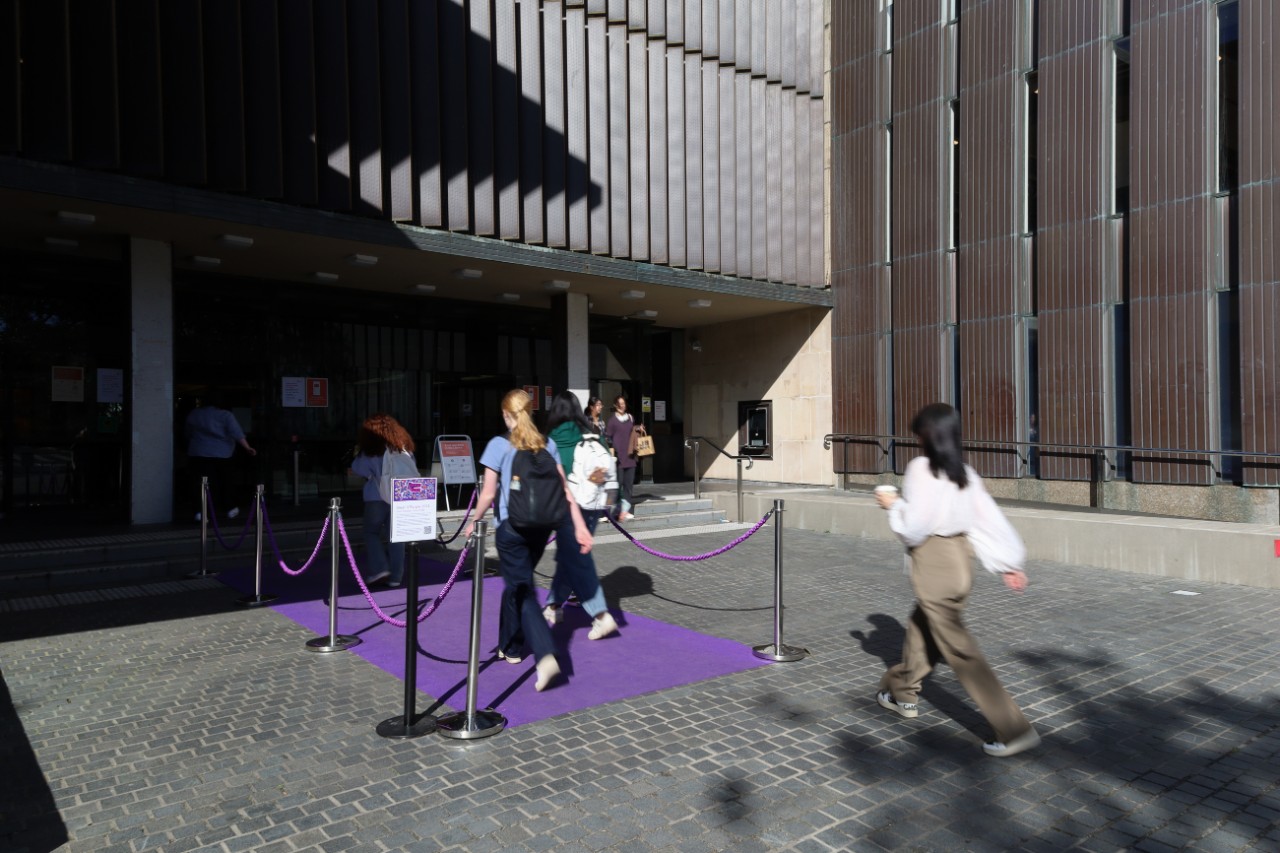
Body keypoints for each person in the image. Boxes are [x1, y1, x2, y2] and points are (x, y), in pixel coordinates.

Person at [873, 403, 1040, 758]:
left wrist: (892, 504)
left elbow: (915, 527)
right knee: (923, 629)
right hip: (962, 564)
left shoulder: (920, 469)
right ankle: (900, 691)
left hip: (934, 563)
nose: (916, 440)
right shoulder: (964, 473)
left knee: (962, 652)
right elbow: (988, 519)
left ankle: (1014, 729)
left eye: (918, 433)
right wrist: (1009, 563)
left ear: (927, 436)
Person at [463, 388, 593, 692]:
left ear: (507, 415)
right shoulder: (547, 444)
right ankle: (510, 645)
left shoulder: (498, 445)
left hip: (511, 529)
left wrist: (473, 520)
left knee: (522, 589)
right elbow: (566, 490)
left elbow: (489, 493)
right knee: (516, 584)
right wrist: (579, 526)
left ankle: (545, 653)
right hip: (541, 527)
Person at [543, 391, 619, 640]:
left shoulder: (551, 440)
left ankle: (600, 615)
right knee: (570, 555)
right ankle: (553, 606)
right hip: (593, 504)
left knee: (577, 558)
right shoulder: (591, 434)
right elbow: (605, 466)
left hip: (566, 506)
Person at [347, 414, 416, 587]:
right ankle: (396, 577)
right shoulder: (403, 447)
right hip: (400, 497)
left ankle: (380, 568)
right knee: (396, 536)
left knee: (371, 532)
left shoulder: (371, 449)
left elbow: (358, 468)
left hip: (376, 496)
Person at [185, 390, 256, 521]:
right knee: (225, 482)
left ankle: (200, 511)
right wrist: (247, 447)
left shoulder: (194, 414)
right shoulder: (225, 415)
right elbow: (237, 433)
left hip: (198, 452)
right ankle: (229, 508)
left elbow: (188, 432)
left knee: (201, 483)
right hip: (222, 454)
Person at [603, 394, 640, 521]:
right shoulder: (612, 421)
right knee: (617, 486)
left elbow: (633, 433)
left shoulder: (630, 418)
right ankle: (615, 510)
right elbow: (608, 438)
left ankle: (627, 510)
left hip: (630, 457)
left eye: (623, 403)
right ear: (615, 405)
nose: (621, 406)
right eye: (619, 404)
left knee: (628, 486)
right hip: (618, 459)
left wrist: (638, 429)